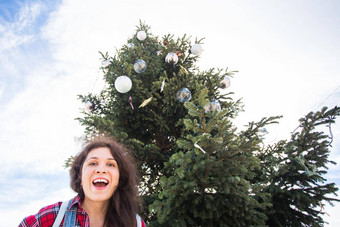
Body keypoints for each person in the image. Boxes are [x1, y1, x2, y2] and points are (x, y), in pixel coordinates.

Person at [19, 136, 146, 227]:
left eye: (111, 164)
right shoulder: (53, 217)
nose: (101, 170)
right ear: (80, 176)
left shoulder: (136, 224)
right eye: (93, 163)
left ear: (119, 178)